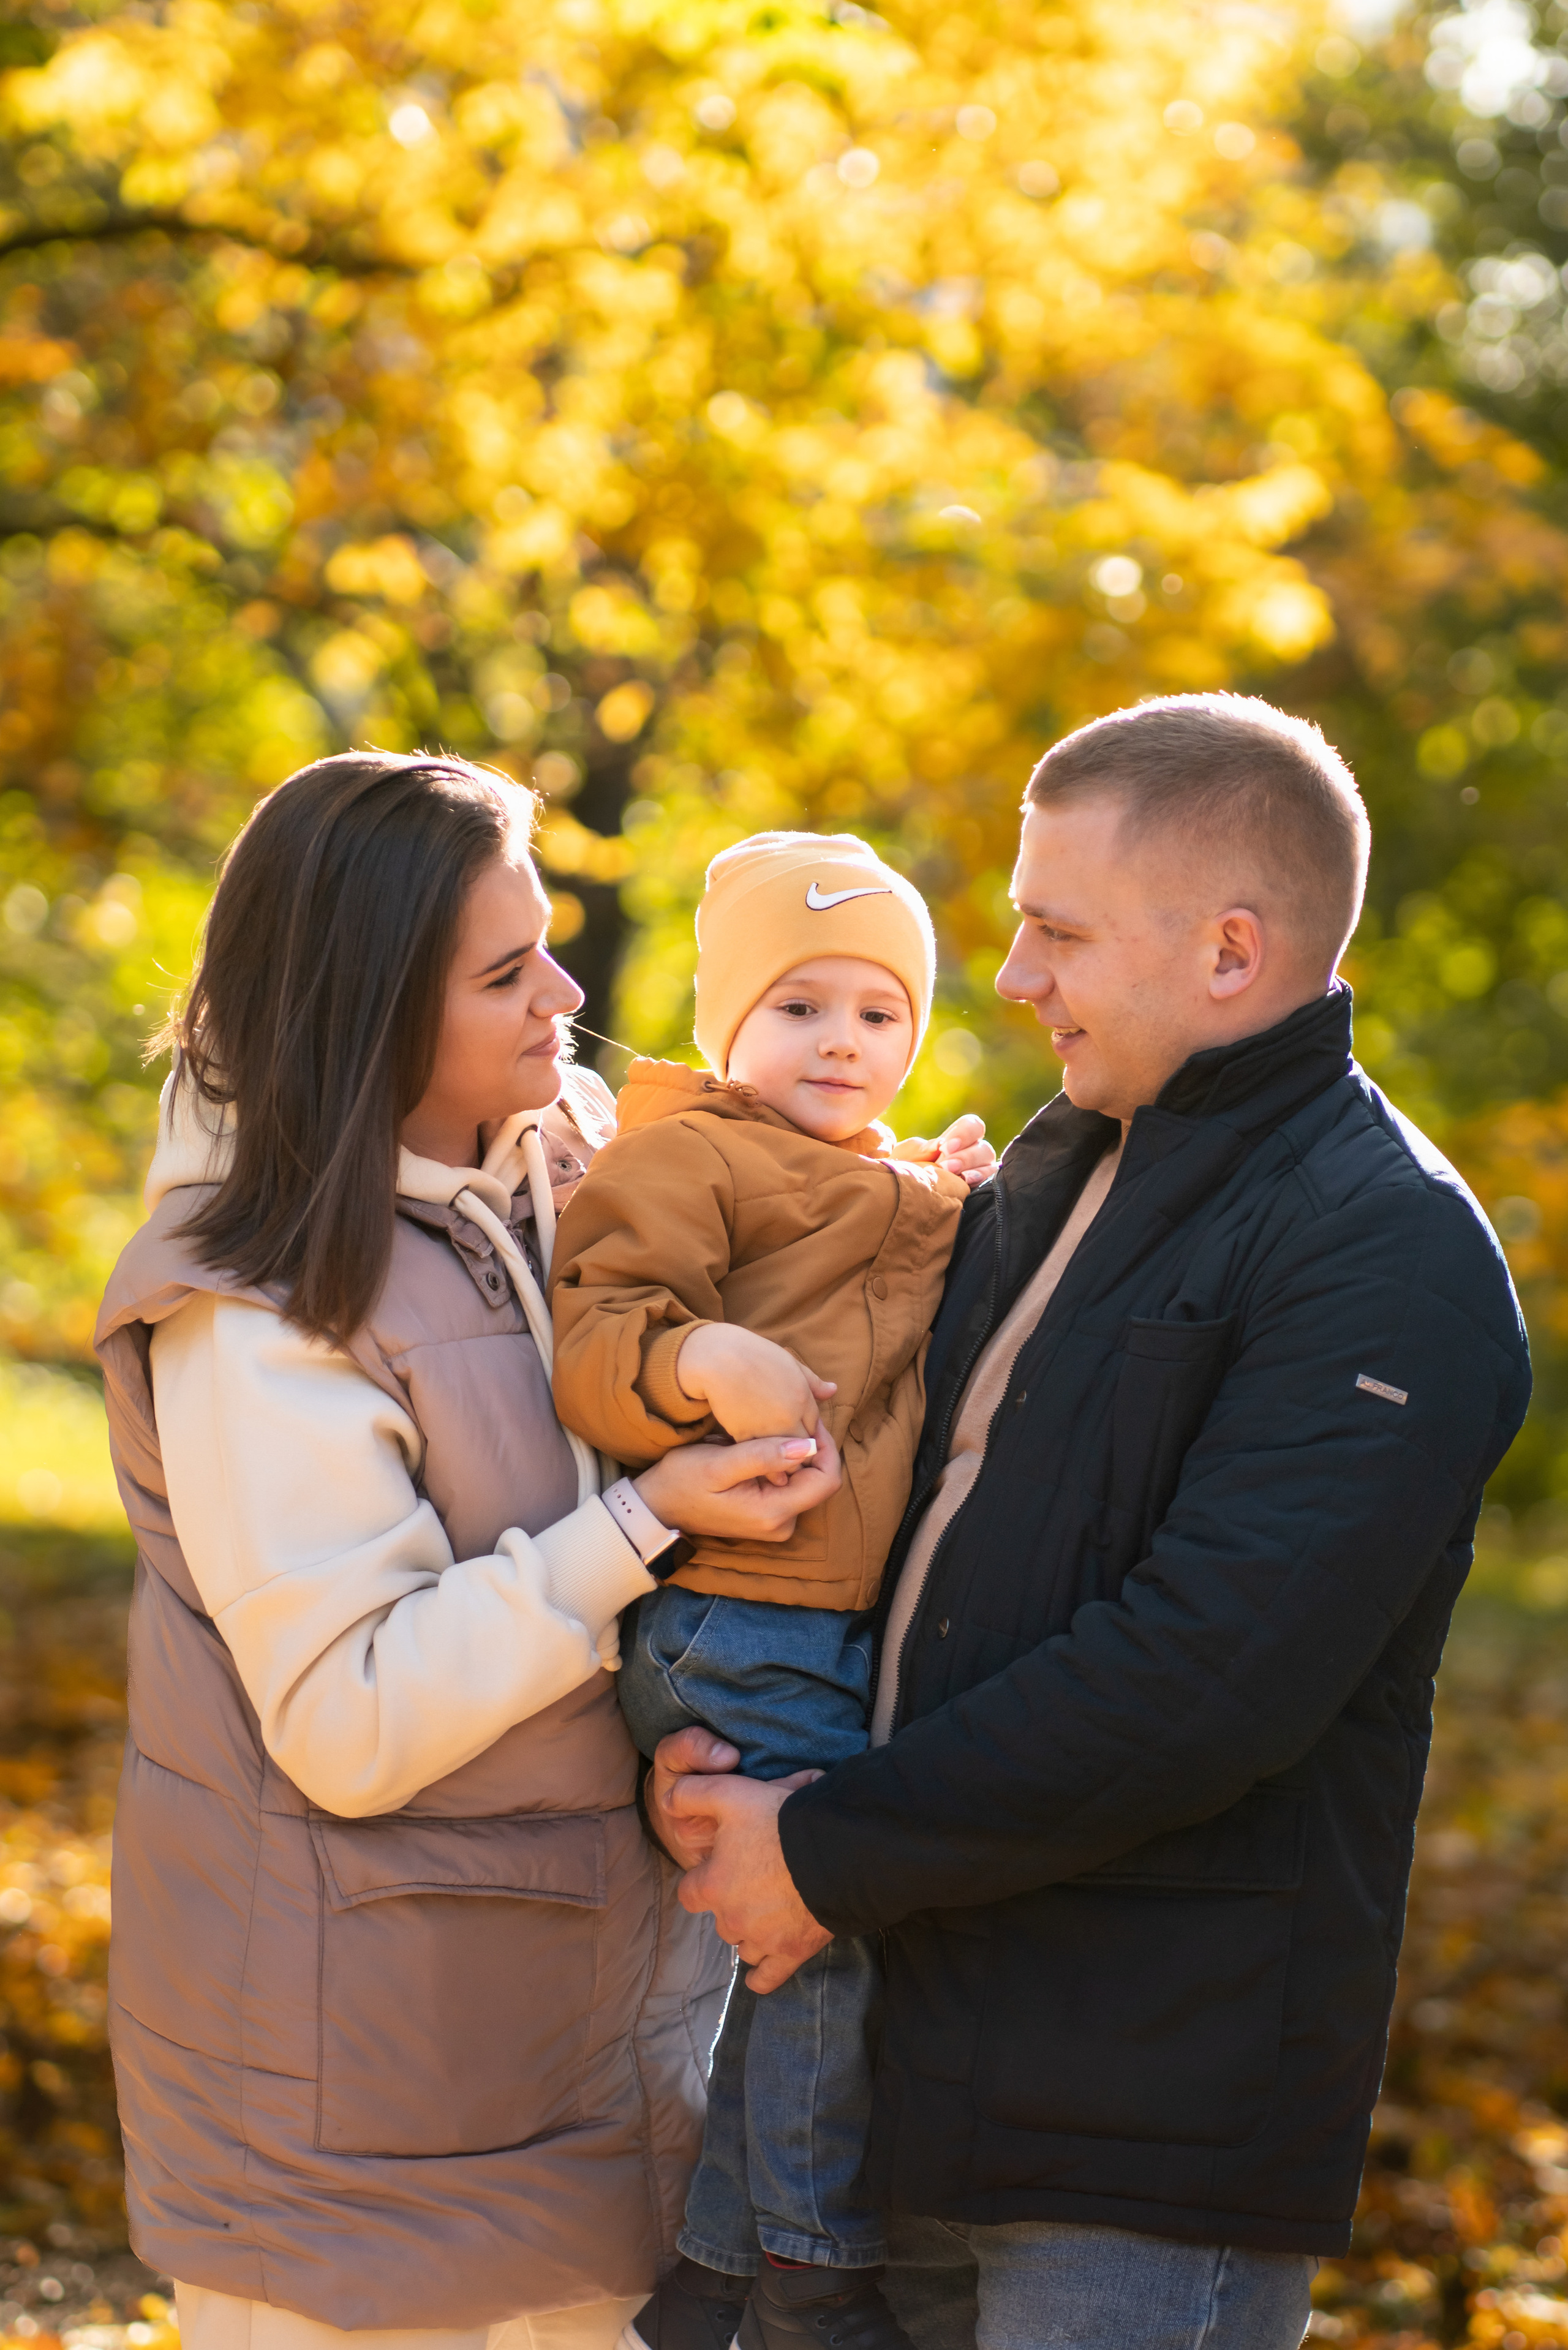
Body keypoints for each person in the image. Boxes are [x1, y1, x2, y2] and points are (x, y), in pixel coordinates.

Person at [651, 694, 1532, 2350]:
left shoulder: (1386, 1247)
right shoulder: (1055, 1172)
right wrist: (724, 1741)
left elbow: (1208, 1674)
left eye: (1054, 929)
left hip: (1139, 2133)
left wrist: (822, 1850)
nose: (1010, 979)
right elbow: (899, 1538)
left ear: (1227, 951)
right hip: (905, 2076)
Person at [93, 753, 847, 2350]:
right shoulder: (257, 1304)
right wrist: (646, 1525)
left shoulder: (566, 1165)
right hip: (358, 2117)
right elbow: (351, 1715)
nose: (566, 994)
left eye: (551, 941)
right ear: (369, 1009)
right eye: (508, 972)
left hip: (581, 2057)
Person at [546, 834, 992, 2350]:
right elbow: (597, 1331)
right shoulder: (687, 1154)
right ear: (725, 1019)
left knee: (791, 1937)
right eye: (800, 1005)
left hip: (813, 1619)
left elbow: (889, 1271)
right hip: (732, 1606)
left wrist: (953, 1194)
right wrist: (693, 1360)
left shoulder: (882, 1174)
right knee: (825, 1920)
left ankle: (717, 2271)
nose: (844, 1041)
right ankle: (811, 2259)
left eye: (879, 1011)